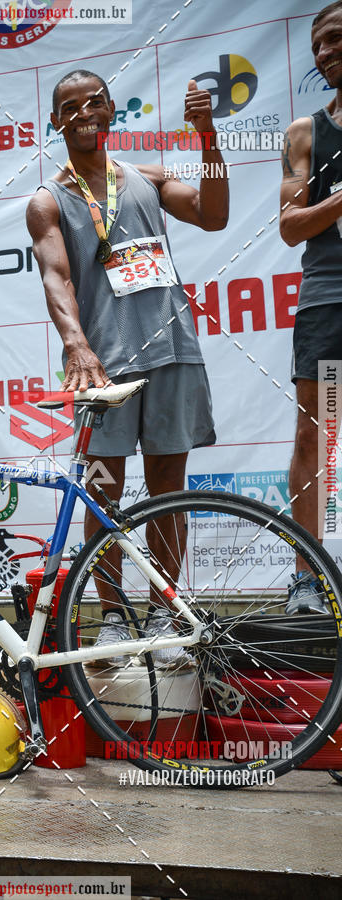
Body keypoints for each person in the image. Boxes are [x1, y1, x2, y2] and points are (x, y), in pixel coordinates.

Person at [26, 69, 229, 665]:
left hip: (172, 352)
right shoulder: (48, 201)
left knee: (169, 487)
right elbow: (55, 275)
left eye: (94, 102)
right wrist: (75, 343)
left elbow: (214, 214)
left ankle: (168, 615)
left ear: (111, 109)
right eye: (70, 107)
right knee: (102, 494)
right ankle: (115, 618)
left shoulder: (147, 176)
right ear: (56, 121)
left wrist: (208, 138)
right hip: (103, 366)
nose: (84, 113)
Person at [280, 1, 342, 615]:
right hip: (331, 300)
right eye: (319, 46)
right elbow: (291, 226)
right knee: (317, 437)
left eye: (336, 41)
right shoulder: (305, 133)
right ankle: (308, 578)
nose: (324, 54)